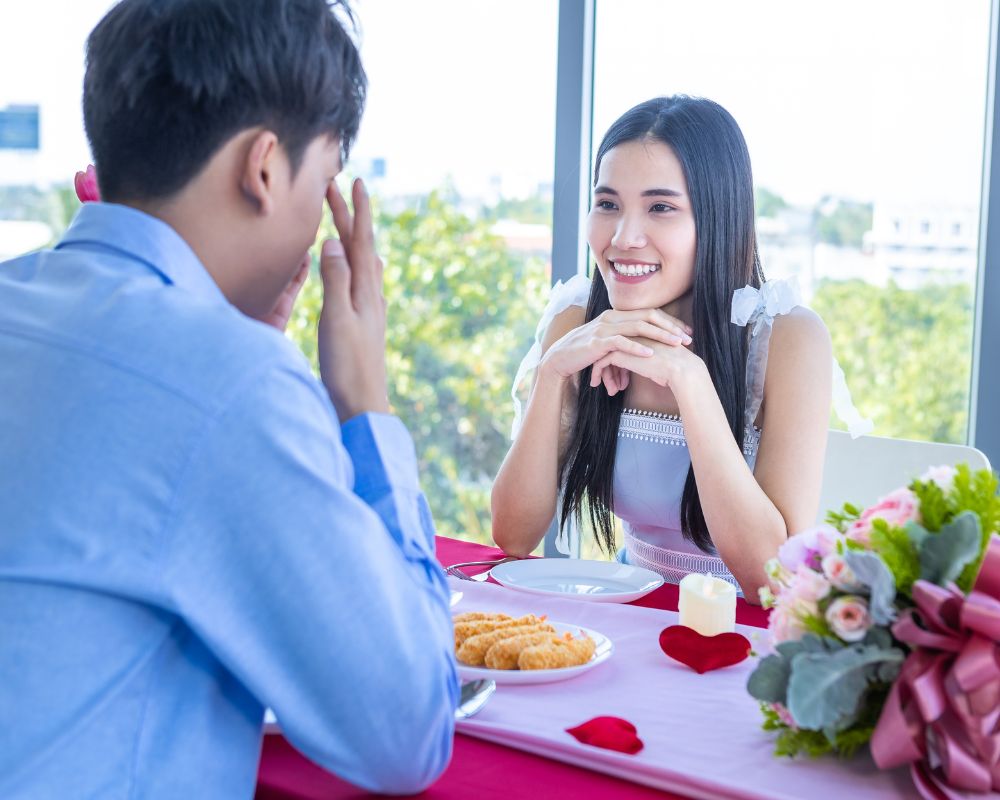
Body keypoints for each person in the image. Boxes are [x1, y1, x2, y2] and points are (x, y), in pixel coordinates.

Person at [0, 1, 457, 797]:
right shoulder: (231, 380)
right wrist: (365, 403)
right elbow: (406, 732)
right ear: (266, 168)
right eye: (327, 176)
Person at [492, 95, 862, 600]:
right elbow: (512, 536)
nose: (624, 237)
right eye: (607, 205)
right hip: (630, 614)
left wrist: (691, 383)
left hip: (743, 634)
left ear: (717, 220)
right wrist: (552, 375)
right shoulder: (578, 322)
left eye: (661, 207)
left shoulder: (787, 338)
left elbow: (771, 580)